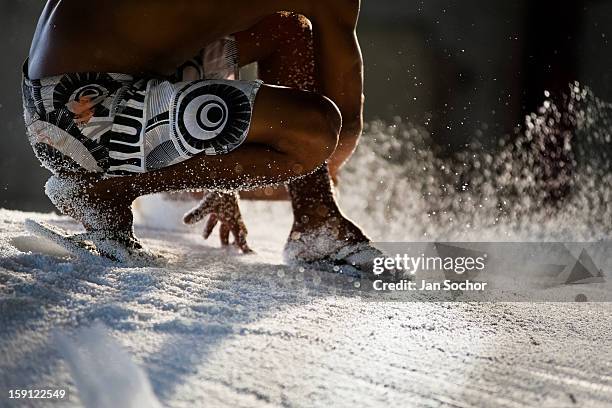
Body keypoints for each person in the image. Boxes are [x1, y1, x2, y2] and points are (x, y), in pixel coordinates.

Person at [23, 0, 381, 274]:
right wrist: (227, 165)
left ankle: (316, 222)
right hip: (85, 116)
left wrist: (219, 168)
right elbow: (342, 134)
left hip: (70, 96)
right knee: (314, 134)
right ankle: (104, 191)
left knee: (287, 29)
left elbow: (179, 28)